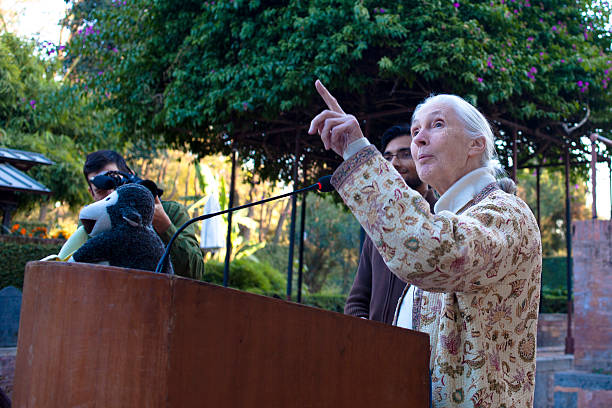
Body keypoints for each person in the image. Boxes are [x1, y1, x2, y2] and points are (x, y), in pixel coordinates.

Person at [309, 80, 541, 407]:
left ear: (476, 144)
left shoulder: (506, 213)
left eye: (437, 124)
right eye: (416, 129)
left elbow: (429, 251)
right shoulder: (451, 218)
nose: (418, 137)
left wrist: (356, 150)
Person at [344, 124, 437, 324]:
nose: (393, 163)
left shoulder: (443, 220)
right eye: (387, 158)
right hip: (375, 349)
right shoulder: (378, 225)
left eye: (404, 154)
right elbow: (357, 300)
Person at [82, 150, 205, 280]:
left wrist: (165, 227)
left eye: (115, 182)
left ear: (130, 176)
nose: (111, 194)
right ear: (92, 193)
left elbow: (195, 273)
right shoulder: (90, 221)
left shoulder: (172, 212)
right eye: (101, 190)